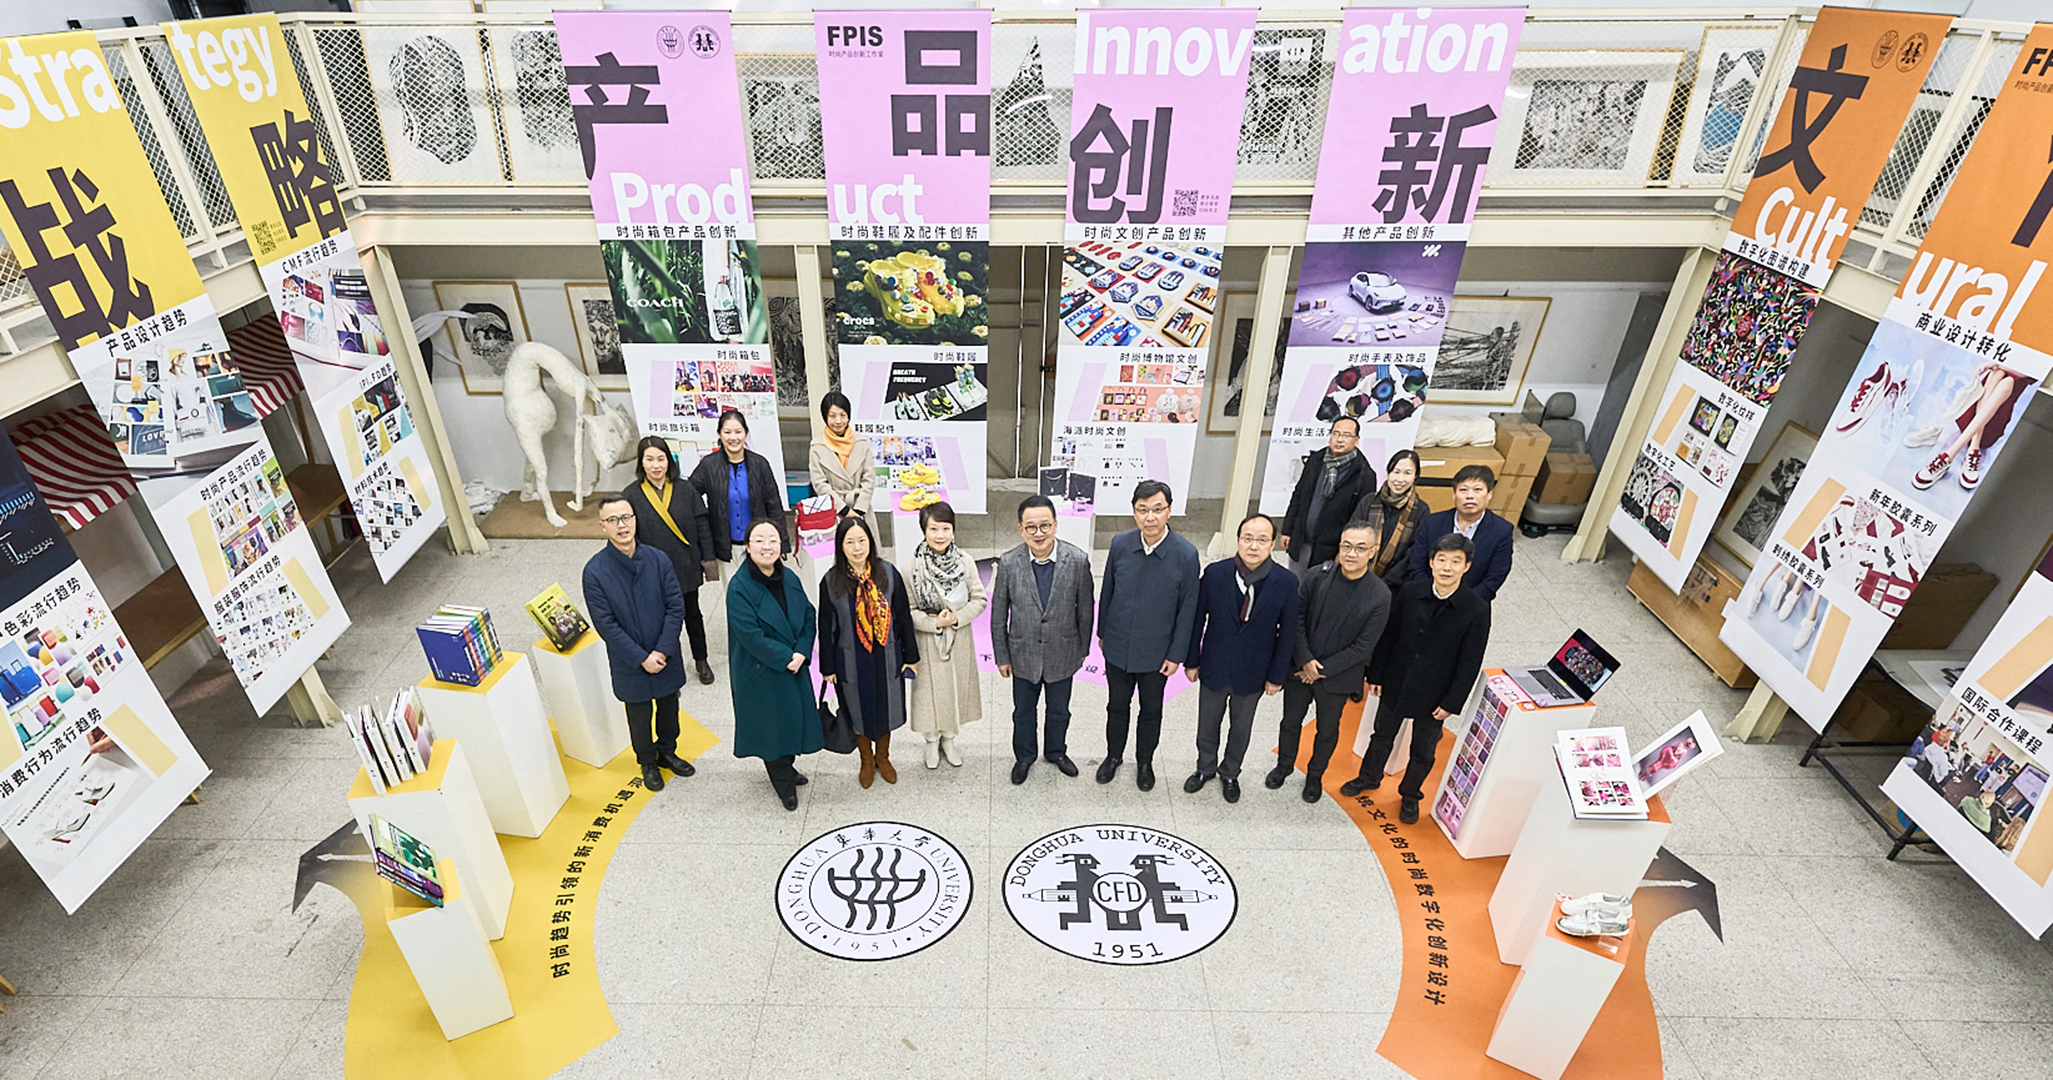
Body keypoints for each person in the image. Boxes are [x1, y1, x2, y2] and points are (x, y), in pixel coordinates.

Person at [1346, 533, 1492, 823]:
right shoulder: (1411, 591)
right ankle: (1369, 777)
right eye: (1441, 560)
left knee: (1423, 749)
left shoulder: (1476, 608)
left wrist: (1452, 702)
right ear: (1431, 562)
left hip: (1435, 692)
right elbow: (1389, 635)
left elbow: (1470, 662)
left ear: (1466, 566)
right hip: (1397, 680)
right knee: (1381, 735)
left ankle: (1410, 795)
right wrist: (1376, 673)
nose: (1447, 567)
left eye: (1455, 562)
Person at [1266, 521, 1391, 804]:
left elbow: (1364, 646)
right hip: (1300, 668)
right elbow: (1296, 619)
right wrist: (1306, 660)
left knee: (1327, 731)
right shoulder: (1316, 576)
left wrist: (1320, 670)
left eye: (1360, 548)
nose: (1351, 553)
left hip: (1338, 677)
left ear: (1372, 551)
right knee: (1290, 722)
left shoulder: (1380, 595)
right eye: (1346, 546)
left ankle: (1315, 776)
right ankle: (1284, 766)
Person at [581, 495, 694, 792]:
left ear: (635, 519)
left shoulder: (658, 559)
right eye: (613, 520)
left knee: (669, 707)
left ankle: (667, 751)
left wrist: (662, 650)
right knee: (639, 716)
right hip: (630, 661)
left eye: (626, 518)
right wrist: (642, 658)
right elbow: (605, 624)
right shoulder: (595, 571)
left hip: (665, 653)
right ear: (602, 526)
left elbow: (675, 607)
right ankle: (647, 762)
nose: (622, 526)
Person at [1183, 514, 1299, 804]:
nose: (1253, 546)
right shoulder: (1215, 574)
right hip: (1214, 665)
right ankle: (1205, 768)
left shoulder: (1286, 582)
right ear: (1238, 540)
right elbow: (1197, 621)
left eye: (1262, 540)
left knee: (1241, 727)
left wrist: (1276, 676)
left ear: (1273, 543)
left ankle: (1230, 773)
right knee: (1207, 723)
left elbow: (1287, 633)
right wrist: (1192, 660)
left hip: (1254, 671)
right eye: (1248, 538)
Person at [1094, 479, 1200, 791]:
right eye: (1142, 510)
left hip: (1157, 654)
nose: (1150, 517)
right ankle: (1113, 756)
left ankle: (1145, 762)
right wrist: (1103, 633)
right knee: (1116, 706)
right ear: (1134, 512)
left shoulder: (1186, 554)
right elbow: (1107, 591)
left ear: (1169, 510)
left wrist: (1176, 654)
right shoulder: (1120, 544)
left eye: (1157, 509)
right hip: (1118, 647)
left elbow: (1188, 610)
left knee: (1151, 711)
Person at [989, 495, 1094, 785]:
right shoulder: (1009, 562)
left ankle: (1056, 752)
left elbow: (1086, 610)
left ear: (1055, 525)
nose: (1039, 533)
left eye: (1045, 525)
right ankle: (1024, 757)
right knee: (1023, 712)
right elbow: (998, 613)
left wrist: (1082, 649)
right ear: (1021, 529)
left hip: (1064, 651)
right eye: (1031, 527)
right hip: (1023, 654)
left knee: (1059, 711)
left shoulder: (1077, 560)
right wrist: (1002, 655)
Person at [817, 515, 919, 788]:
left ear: (870, 542)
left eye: (861, 540)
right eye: (849, 542)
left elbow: (903, 617)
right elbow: (825, 628)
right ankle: (866, 759)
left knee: (885, 710)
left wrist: (911, 656)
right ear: (840, 546)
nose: (857, 548)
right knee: (857, 711)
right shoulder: (831, 581)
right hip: (851, 660)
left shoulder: (888, 574)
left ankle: (883, 757)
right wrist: (828, 667)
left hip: (886, 657)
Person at [727, 518, 821, 810]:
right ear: (748, 546)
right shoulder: (739, 587)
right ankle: (783, 784)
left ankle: (788, 767)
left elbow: (808, 614)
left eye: (773, 540)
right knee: (772, 730)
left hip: (794, 663)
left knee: (792, 722)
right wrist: (786, 658)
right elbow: (751, 637)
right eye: (759, 540)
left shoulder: (789, 576)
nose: (766, 546)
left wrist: (802, 651)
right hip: (762, 670)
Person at [620, 436, 717, 685]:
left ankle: (701, 660)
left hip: (685, 565)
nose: (656, 465)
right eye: (649, 459)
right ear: (641, 462)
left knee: (692, 615)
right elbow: (627, 537)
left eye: (660, 459)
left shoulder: (685, 489)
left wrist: (708, 561)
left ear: (669, 460)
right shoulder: (631, 495)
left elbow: (702, 525)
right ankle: (667, 661)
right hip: (651, 571)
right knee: (660, 621)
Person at [905, 501, 986, 769]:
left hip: (958, 637)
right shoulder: (911, 567)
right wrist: (933, 622)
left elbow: (979, 599)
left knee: (955, 689)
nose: (940, 535)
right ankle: (931, 741)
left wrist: (957, 618)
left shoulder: (965, 562)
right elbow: (908, 611)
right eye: (933, 528)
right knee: (928, 694)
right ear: (924, 531)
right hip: (928, 639)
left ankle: (949, 739)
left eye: (946, 528)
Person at [691, 409, 789, 574]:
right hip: (725, 547)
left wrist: (781, 545)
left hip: (759, 546)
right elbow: (690, 494)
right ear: (719, 434)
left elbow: (774, 506)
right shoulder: (708, 465)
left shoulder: (760, 464)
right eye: (727, 432)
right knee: (732, 589)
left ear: (746, 433)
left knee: (760, 587)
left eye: (738, 432)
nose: (733, 437)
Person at [1279, 417, 1378, 568]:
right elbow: (1298, 495)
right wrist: (1287, 529)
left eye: (1346, 435)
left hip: (1331, 550)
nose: (1339, 439)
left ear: (1356, 440)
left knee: (1320, 582)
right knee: (1294, 581)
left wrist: (1345, 549)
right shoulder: (1316, 461)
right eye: (1335, 433)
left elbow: (1361, 519)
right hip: (1301, 541)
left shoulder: (1364, 475)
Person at [1407, 464, 1514, 600]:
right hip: (1428, 597)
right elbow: (1416, 566)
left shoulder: (1501, 531)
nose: (1470, 496)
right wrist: (1434, 595)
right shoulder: (1432, 522)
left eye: (1477, 490)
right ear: (1454, 495)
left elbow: (1494, 579)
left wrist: (1460, 603)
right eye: (1463, 490)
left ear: (1489, 495)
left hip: (1472, 602)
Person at [1352, 449, 1430, 586]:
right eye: (1396, 471)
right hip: (1358, 574)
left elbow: (1414, 550)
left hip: (1395, 583)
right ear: (1388, 472)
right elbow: (1353, 533)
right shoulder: (1369, 501)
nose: (1400, 479)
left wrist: (1388, 580)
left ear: (1415, 476)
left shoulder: (1421, 510)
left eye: (1407, 473)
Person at [808, 391, 875, 517]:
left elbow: (869, 478)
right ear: (825, 417)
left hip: (861, 510)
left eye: (842, 415)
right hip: (834, 512)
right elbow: (820, 484)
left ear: (848, 416)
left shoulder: (861, 442)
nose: (838, 421)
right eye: (832, 416)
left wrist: (859, 510)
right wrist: (844, 510)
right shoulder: (817, 447)